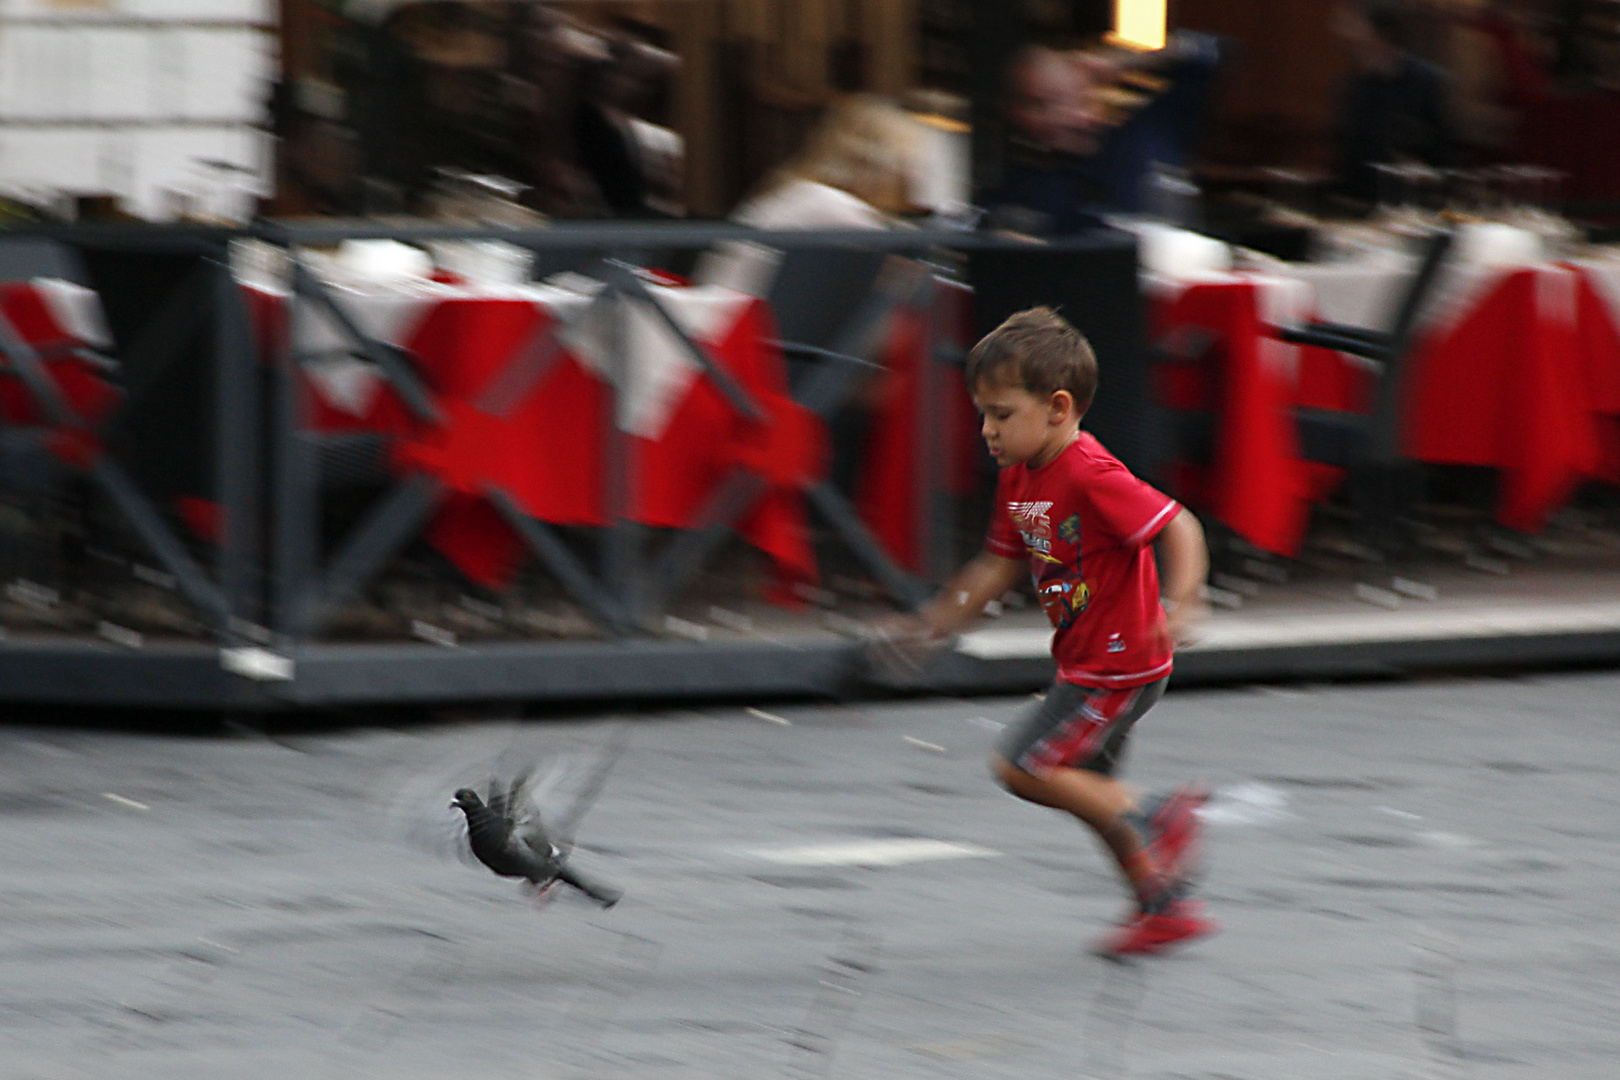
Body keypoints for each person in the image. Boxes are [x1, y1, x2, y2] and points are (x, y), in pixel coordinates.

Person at [879, 307, 1215, 956]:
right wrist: (932, 625)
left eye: (1001, 414)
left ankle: (1155, 817)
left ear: (1058, 408)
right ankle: (1163, 903)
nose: (987, 430)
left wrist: (1183, 601)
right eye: (983, 413)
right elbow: (996, 563)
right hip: (1090, 662)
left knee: (1024, 765)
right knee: (1088, 790)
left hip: (1116, 665)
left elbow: (1180, 526)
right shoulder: (1019, 477)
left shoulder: (1091, 473)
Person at [985, 31, 1225, 235]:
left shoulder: (1149, 133)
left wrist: (1126, 62)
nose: (1069, 113)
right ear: (1021, 117)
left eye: (1066, 97)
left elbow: (1213, 53)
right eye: (1039, 105)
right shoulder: (1024, 191)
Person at [693, 93, 919, 296]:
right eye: (908, 163)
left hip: (720, 320)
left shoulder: (800, 192)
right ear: (883, 165)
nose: (914, 175)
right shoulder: (830, 205)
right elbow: (889, 257)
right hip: (735, 332)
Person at [1333, 0, 1461, 205]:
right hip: (1360, 216)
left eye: (1352, 22)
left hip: (1414, 213)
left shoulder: (1428, 83)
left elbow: (1449, 163)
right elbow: (1349, 165)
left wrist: (1428, 173)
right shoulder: (1353, 88)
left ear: (1382, 31)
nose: (1342, 31)